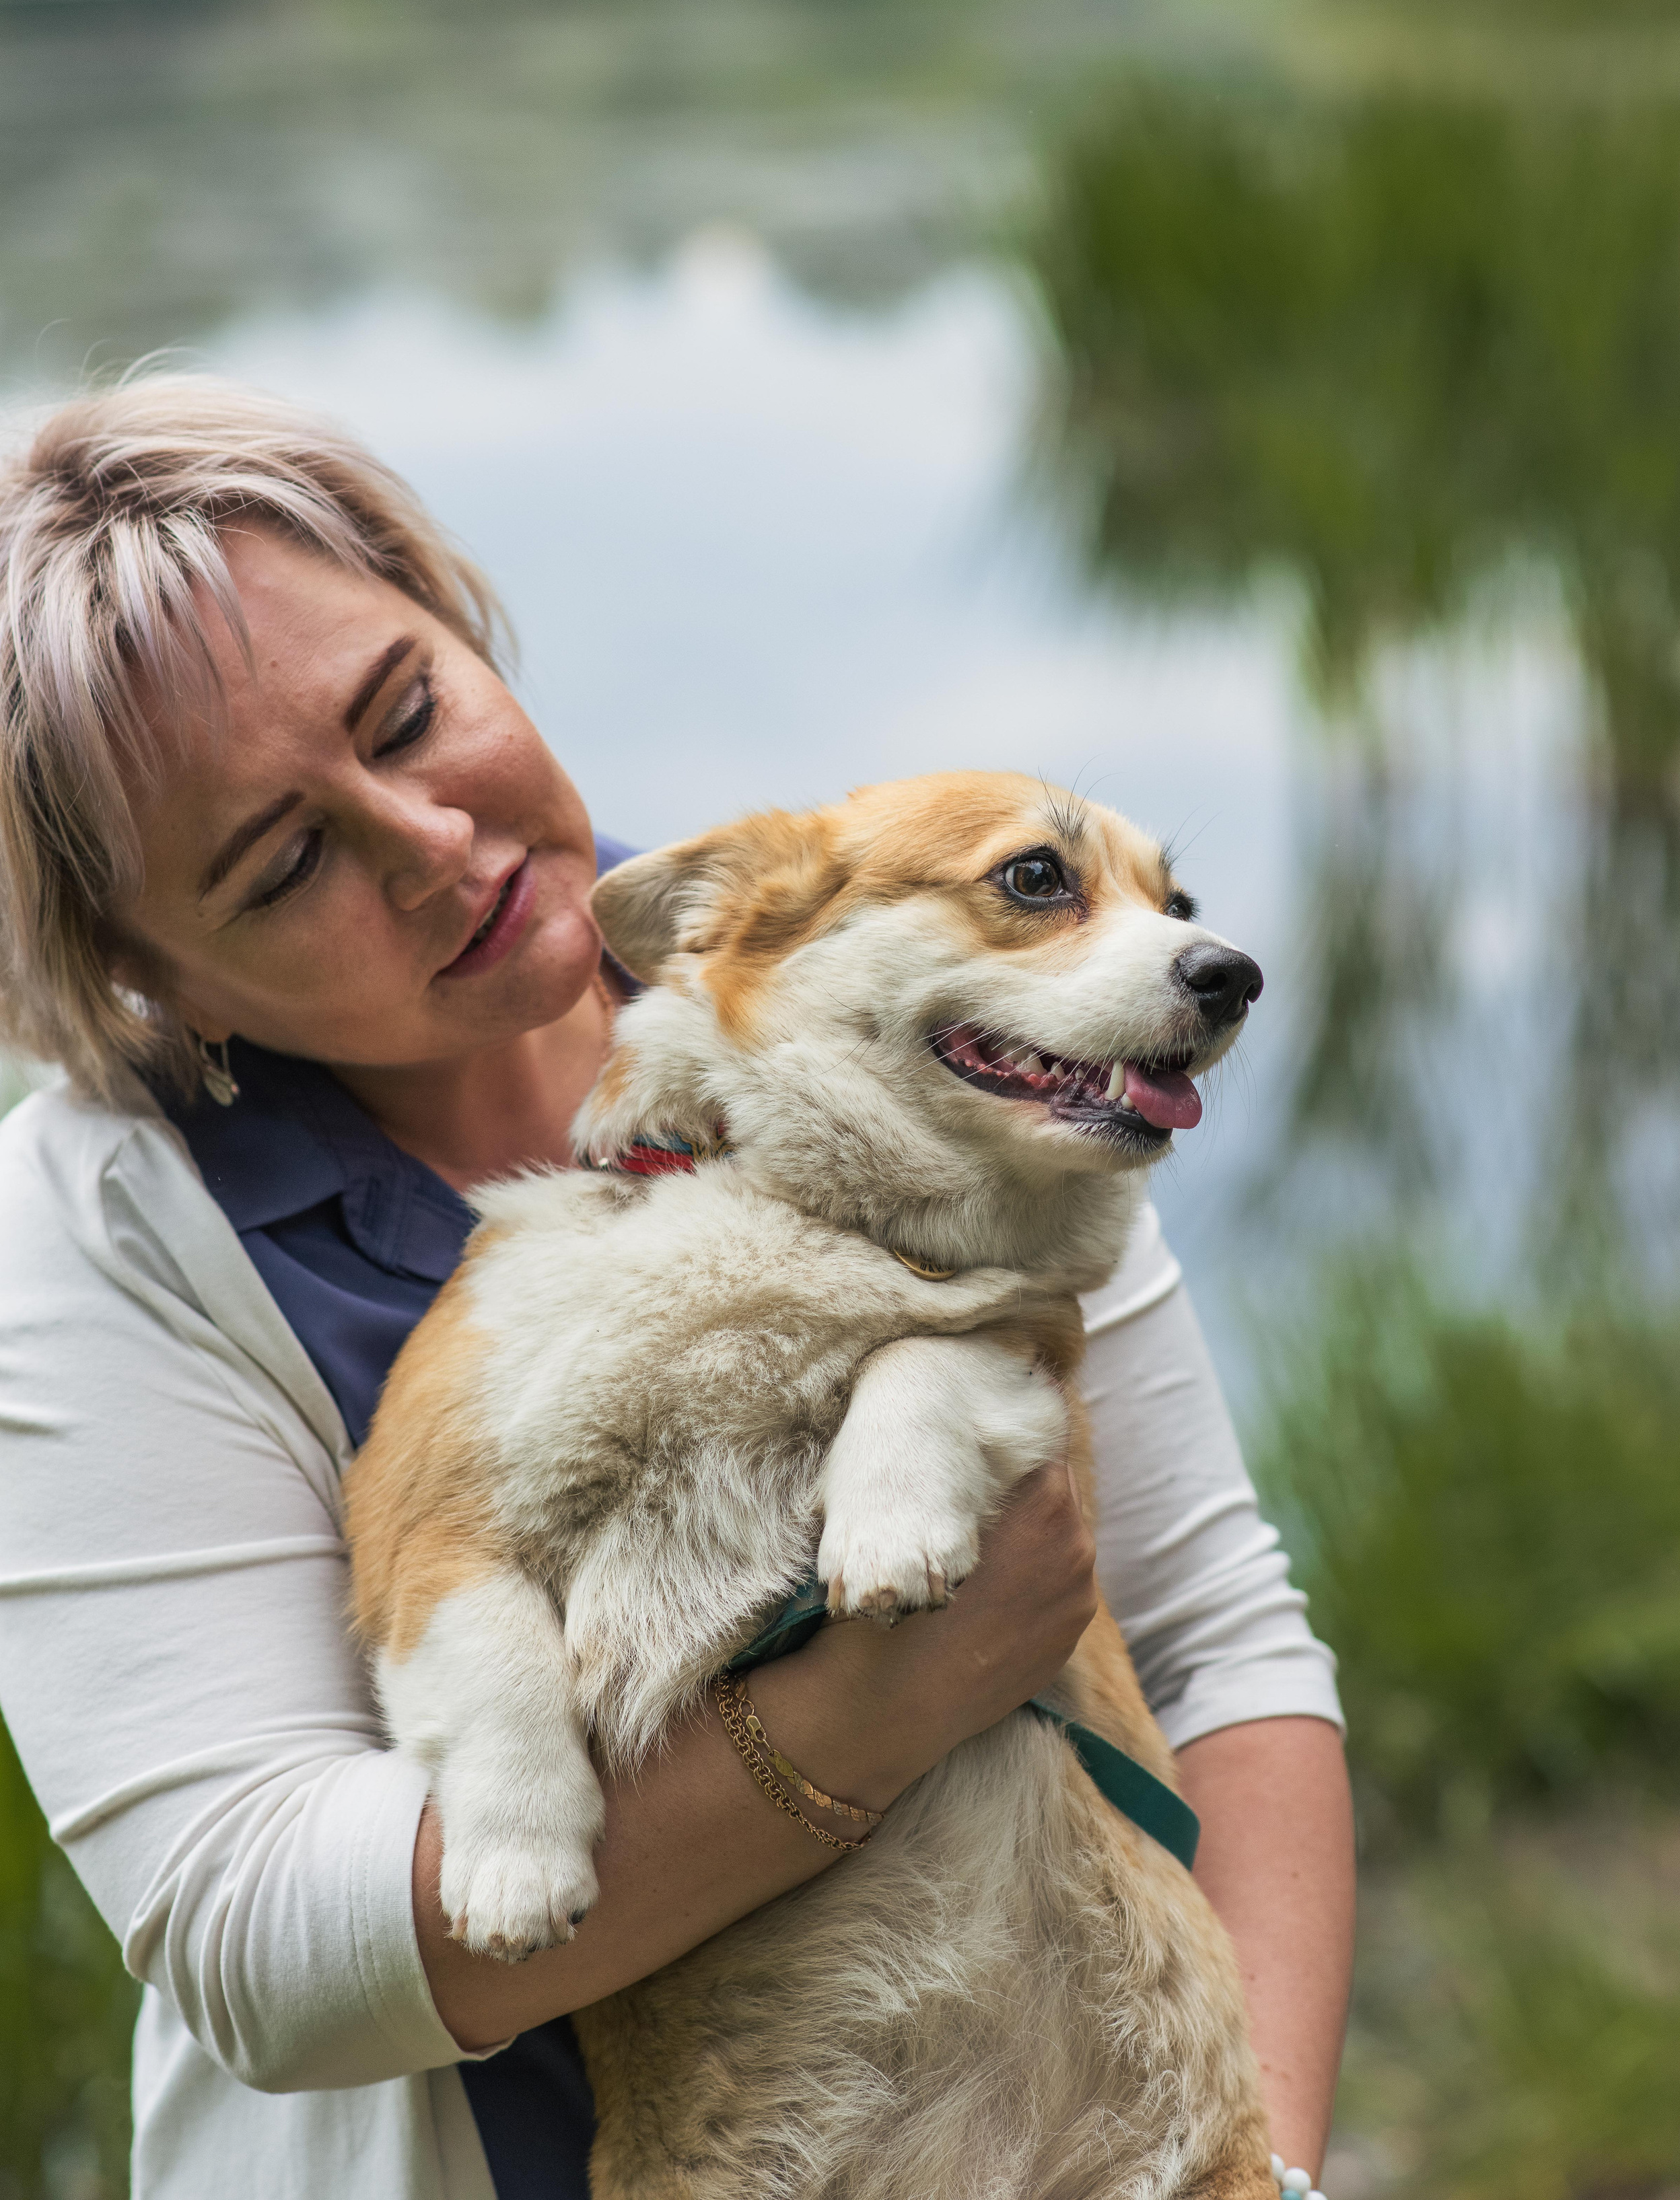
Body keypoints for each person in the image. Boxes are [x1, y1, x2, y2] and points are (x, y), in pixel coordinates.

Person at [0, 378, 1354, 2200]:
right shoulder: (91, 1240)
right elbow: (258, 1931)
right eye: (287, 861)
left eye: (409, 713)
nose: (433, 845)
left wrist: (1249, 2159)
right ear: (159, 978)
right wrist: (857, 1718)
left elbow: (1220, 1641)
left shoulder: (890, 996)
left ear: (458, 616)